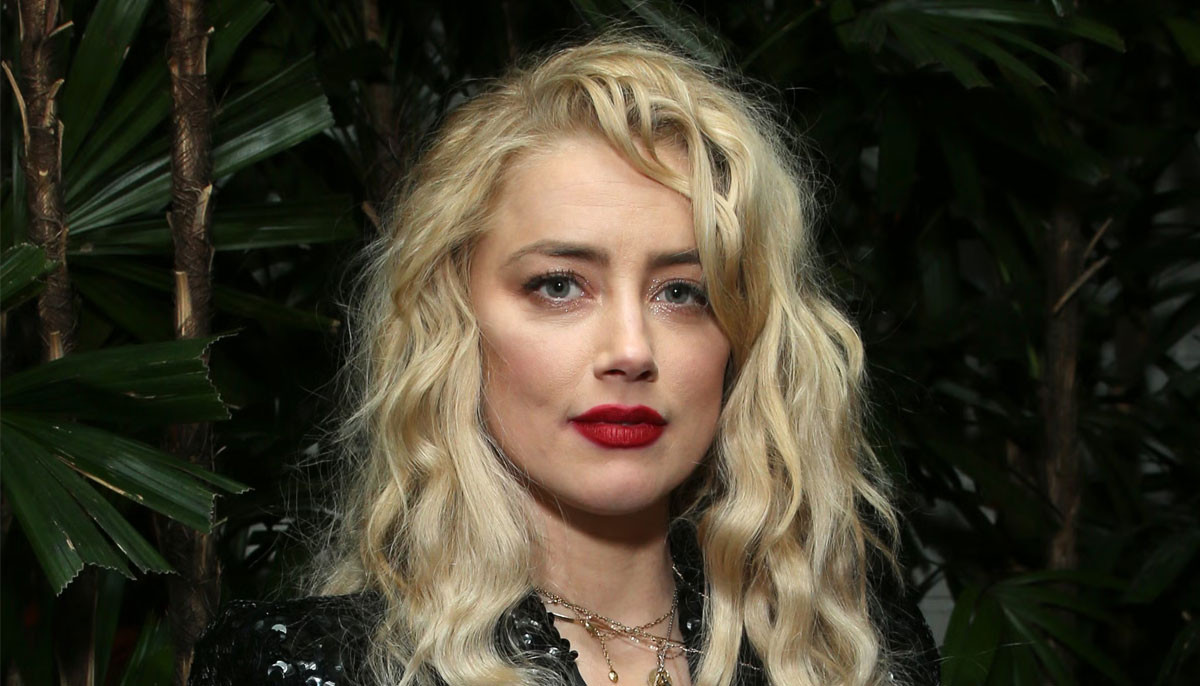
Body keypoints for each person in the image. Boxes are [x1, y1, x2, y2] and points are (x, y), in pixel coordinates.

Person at [189, 36, 939, 686]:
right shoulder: (306, 667)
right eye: (558, 286)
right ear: (454, 321)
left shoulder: (854, 653)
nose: (631, 352)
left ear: (744, 341)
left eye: (683, 292)